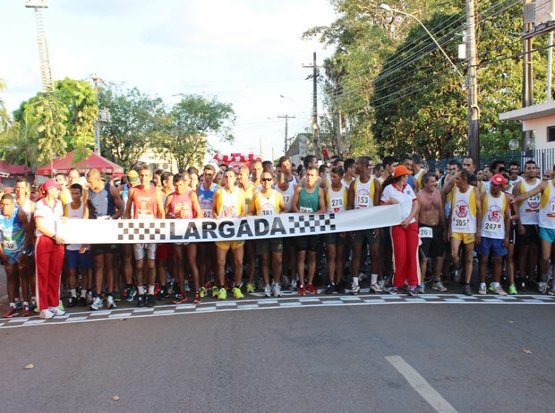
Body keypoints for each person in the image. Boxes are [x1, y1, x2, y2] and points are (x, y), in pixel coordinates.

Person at [124, 165, 165, 307]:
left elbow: (161, 213)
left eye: (147, 175)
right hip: (137, 232)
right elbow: (127, 212)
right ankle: (141, 293)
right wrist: (128, 229)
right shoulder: (133, 191)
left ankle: (151, 292)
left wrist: (160, 231)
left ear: (152, 176)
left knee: (151, 263)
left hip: (152, 232)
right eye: (142, 175)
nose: (144, 178)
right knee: (140, 264)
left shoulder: (157, 192)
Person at [84, 168, 125, 310]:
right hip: (96, 232)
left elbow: (121, 208)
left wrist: (111, 218)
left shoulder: (110, 189)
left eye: (90, 181)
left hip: (110, 231)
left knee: (110, 265)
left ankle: (111, 295)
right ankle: (98, 296)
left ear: (97, 179)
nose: (89, 184)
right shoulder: (87, 193)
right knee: (98, 265)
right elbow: (87, 214)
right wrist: (86, 237)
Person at [513, 168, 555, 294]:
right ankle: (542, 279)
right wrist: (515, 198)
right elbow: (528, 194)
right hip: (546, 226)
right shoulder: (545, 185)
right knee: (545, 257)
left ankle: (553, 284)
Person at [381, 165, 420, 295]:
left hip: (411, 224)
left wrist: (409, 219)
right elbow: (381, 207)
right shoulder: (388, 189)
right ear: (400, 177)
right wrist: (390, 202)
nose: (407, 178)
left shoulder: (408, 188)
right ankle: (398, 283)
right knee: (400, 254)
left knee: (411, 254)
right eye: (405, 176)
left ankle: (413, 283)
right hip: (397, 225)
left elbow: (416, 204)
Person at [347, 156, 383, 294]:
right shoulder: (353, 184)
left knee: (375, 254)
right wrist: (350, 226)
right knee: (356, 254)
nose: (355, 166)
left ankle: (373, 283)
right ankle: (355, 283)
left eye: (357, 164)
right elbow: (350, 206)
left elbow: (378, 206)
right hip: (358, 224)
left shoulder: (375, 183)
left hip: (371, 223)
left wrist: (378, 226)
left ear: (363, 166)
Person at [165, 173, 202, 304]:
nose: (178, 188)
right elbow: (164, 216)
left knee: (192, 261)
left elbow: (199, 213)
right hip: (176, 232)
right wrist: (174, 215)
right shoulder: (170, 197)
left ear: (185, 184)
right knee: (179, 262)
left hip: (189, 232)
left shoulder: (191, 194)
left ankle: (197, 292)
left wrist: (192, 223)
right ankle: (182, 292)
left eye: (180, 185)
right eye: (176, 185)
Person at [249, 171, 285, 297]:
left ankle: (276, 283)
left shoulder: (277, 195)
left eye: (269, 179)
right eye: (264, 179)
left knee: (277, 259)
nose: (266, 182)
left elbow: (284, 209)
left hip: (275, 231)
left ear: (273, 180)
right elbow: (251, 212)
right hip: (262, 233)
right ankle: (267, 284)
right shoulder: (256, 196)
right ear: (260, 181)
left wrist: (282, 216)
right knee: (264, 259)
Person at [33, 179, 66, 319]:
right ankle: (43, 307)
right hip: (44, 240)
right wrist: (53, 235)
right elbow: (39, 225)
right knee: (42, 274)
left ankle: (53, 304)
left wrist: (63, 222)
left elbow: (59, 220)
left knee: (55, 273)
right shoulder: (40, 204)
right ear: (49, 190)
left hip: (57, 241)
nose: (58, 190)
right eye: (55, 188)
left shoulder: (59, 204)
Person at [291, 165, 326, 295]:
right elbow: (293, 205)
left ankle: (310, 283)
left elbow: (323, 209)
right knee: (301, 255)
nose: (309, 177)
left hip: (314, 227)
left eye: (312, 175)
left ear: (317, 177)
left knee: (312, 256)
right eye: (307, 175)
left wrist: (312, 216)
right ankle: (301, 283)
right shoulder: (299, 189)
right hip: (301, 227)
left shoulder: (319, 191)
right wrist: (301, 214)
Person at [212, 168, 246, 300]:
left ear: (235, 178)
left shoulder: (240, 192)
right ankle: (221, 287)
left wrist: (238, 219)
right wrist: (217, 219)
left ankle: (237, 287)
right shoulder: (219, 192)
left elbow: (243, 210)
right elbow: (214, 210)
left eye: (230, 176)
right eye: (225, 176)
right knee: (221, 262)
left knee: (239, 261)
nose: (227, 179)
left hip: (236, 231)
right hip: (222, 232)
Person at [448, 169, 481, 296]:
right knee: (454, 253)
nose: (454, 181)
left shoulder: (474, 191)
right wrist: (449, 228)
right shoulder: (454, 190)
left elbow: (478, 211)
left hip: (470, 229)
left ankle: (466, 284)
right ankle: (458, 266)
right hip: (456, 228)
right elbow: (452, 209)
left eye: (457, 178)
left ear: (464, 179)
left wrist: (478, 230)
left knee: (468, 257)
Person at [478, 174, 510, 295]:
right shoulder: (484, 195)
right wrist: (478, 231)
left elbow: (507, 217)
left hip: (498, 234)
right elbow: (478, 213)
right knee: (484, 259)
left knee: (498, 259)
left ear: (501, 187)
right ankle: (482, 284)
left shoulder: (504, 198)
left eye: (497, 185)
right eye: (492, 184)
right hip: (485, 233)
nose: (494, 187)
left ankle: (496, 284)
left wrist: (507, 236)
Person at [0, 194, 32, 318]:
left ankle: (25, 303)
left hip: (21, 249)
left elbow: (29, 233)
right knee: (10, 276)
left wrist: (24, 253)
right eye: (2, 204)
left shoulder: (20, 214)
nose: (4, 207)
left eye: (7, 205)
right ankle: (12, 305)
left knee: (23, 275)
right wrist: (3, 256)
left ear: (13, 205)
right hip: (7, 250)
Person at [512, 160, 541, 290]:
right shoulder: (519, 185)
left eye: (533, 168)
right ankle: (522, 277)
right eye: (528, 168)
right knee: (523, 251)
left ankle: (531, 277)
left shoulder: (542, 184)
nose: (531, 170)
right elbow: (514, 204)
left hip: (538, 222)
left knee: (535, 251)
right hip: (524, 222)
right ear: (524, 170)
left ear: (536, 170)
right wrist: (519, 223)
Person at [63, 183, 93, 307]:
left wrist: (85, 243)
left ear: (81, 194)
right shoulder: (66, 207)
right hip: (71, 245)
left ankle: (83, 294)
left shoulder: (85, 207)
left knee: (85, 270)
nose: (74, 196)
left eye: (77, 193)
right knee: (71, 271)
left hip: (83, 244)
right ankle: (73, 295)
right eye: (72, 193)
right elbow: (63, 223)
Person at [417, 173, 447, 292]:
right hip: (424, 227)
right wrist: (416, 231)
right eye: (432, 181)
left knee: (439, 256)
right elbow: (417, 214)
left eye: (435, 181)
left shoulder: (438, 193)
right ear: (425, 183)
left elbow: (442, 211)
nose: (434, 183)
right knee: (424, 258)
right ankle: (421, 282)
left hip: (438, 228)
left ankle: (437, 280)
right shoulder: (419, 196)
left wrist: (445, 229)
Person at [325, 166, 348, 293]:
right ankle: (331, 281)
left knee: (340, 255)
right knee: (331, 254)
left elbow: (349, 207)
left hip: (342, 226)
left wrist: (347, 227)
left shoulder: (346, 190)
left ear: (341, 177)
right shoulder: (326, 190)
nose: (332, 179)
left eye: (334, 177)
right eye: (331, 177)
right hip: (330, 226)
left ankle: (339, 281)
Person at [14, 178, 36, 315]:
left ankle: (34, 298)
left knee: (31, 273)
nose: (18, 190)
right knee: (18, 274)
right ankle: (22, 301)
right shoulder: (11, 205)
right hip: (15, 244)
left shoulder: (32, 205)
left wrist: (28, 245)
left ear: (27, 190)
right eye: (17, 188)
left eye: (21, 188)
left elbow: (32, 228)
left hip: (30, 243)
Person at [197, 164, 219, 294]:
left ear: (214, 175)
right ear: (203, 175)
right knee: (202, 258)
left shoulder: (218, 189)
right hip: (201, 227)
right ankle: (203, 284)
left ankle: (216, 283)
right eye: (206, 174)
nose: (208, 177)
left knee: (215, 258)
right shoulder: (198, 189)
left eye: (210, 174)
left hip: (214, 227)